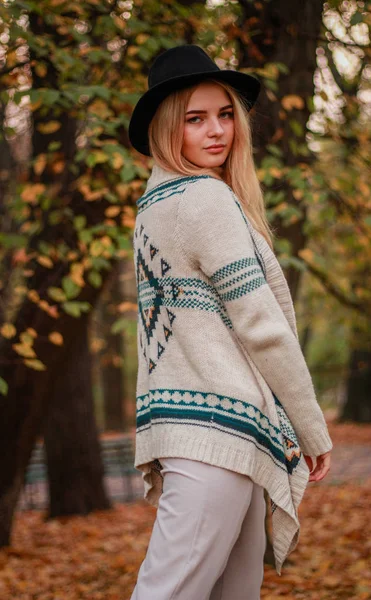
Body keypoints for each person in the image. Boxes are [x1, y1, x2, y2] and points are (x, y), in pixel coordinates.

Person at [128, 44, 333, 600]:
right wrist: (310, 425)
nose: (216, 131)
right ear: (169, 128)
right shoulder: (204, 199)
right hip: (213, 437)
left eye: (224, 115)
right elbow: (260, 324)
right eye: (195, 119)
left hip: (205, 436)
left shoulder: (151, 210)